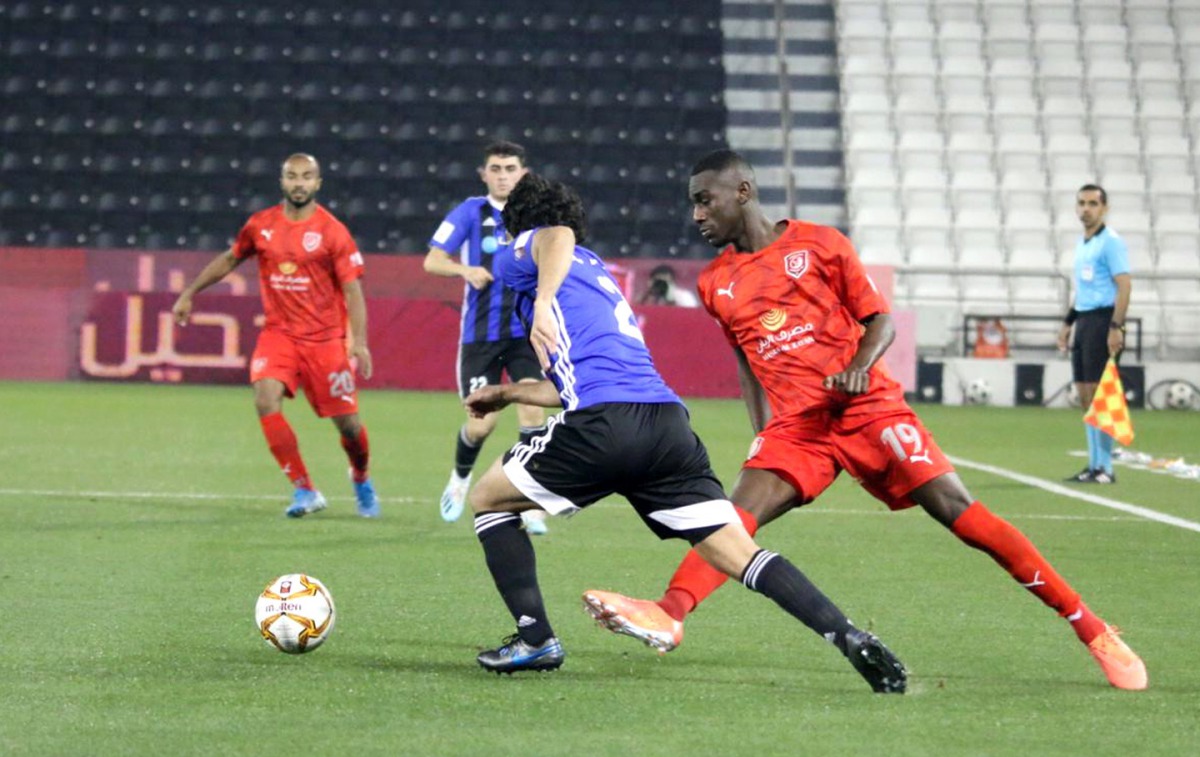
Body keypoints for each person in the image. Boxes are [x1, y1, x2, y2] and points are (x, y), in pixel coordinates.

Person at [583, 150, 1147, 691]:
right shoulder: (716, 283)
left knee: (959, 512)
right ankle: (670, 612)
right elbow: (746, 358)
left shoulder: (820, 244)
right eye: (694, 205)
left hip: (867, 408)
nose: (697, 215)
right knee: (732, 517)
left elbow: (880, 322)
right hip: (799, 428)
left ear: (744, 191)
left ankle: (1092, 630)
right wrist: (765, 428)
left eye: (706, 201)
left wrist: (856, 367)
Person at [464, 173, 907, 693]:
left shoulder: (535, 248)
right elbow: (576, 379)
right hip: (664, 425)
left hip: (605, 424)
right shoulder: (596, 273)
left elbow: (554, 234)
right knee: (737, 552)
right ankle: (848, 635)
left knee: (490, 500)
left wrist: (539, 303)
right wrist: (511, 393)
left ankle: (534, 638)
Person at [172, 153, 379, 518]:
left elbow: (353, 291)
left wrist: (358, 342)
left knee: (348, 425)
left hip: (324, 340)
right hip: (279, 334)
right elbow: (230, 259)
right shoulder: (260, 225)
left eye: (307, 177)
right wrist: (190, 292)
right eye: (292, 176)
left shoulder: (333, 232)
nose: (299, 183)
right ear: (282, 182)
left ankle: (360, 477)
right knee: (265, 399)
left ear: (318, 183)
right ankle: (305, 489)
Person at [424, 140, 548, 534]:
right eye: (495, 168)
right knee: (482, 425)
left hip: (525, 334)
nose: (502, 175)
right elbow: (432, 260)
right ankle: (461, 477)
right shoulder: (470, 211)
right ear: (484, 174)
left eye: (510, 168)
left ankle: (529, 500)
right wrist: (466, 271)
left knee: (533, 409)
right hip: (480, 336)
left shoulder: (536, 213)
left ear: (523, 173)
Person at [1057, 185, 1132, 485]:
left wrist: (1116, 327)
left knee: (1102, 396)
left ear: (1104, 208)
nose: (1086, 208)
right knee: (1086, 395)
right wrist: (1068, 322)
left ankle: (1105, 467)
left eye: (1092, 203)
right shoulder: (1083, 243)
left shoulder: (1111, 243)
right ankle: (1094, 464)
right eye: (1082, 203)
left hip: (1103, 320)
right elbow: (1083, 290)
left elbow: (1124, 286)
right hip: (1085, 320)